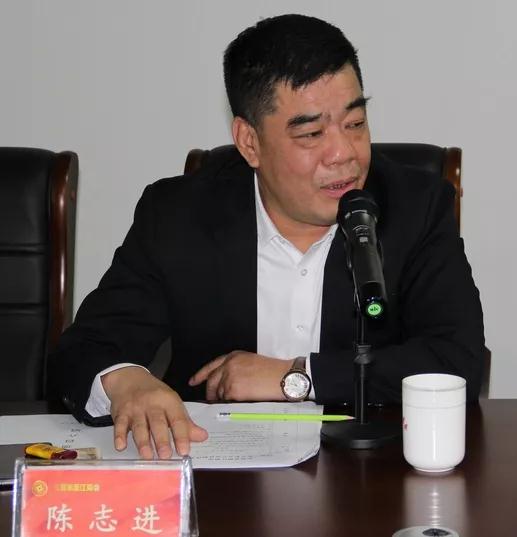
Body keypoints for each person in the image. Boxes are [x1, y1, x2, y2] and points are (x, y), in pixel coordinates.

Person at [48, 14, 485, 460]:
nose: (344, 154)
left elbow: (457, 359)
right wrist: (126, 382)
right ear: (249, 142)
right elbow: (81, 350)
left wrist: (295, 376)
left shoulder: (415, 207)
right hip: (218, 480)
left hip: (365, 473)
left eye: (355, 123)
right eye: (312, 133)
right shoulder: (180, 215)